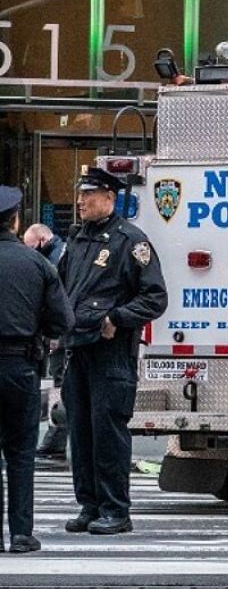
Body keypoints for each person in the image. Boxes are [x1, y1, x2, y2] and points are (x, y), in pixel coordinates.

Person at [58, 168, 167, 536]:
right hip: (77, 348)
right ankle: (89, 505)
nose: (80, 201)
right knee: (81, 431)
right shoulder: (77, 239)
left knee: (108, 431)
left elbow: (155, 297)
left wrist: (117, 318)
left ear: (109, 197)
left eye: (88, 194)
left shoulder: (129, 241)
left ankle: (115, 509)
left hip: (111, 351)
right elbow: (62, 288)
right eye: (80, 194)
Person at [0, 188, 73, 553]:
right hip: (20, 365)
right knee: (21, 453)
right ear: (15, 222)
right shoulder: (38, 264)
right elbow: (63, 321)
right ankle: (21, 533)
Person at [23, 223, 68, 460]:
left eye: (31, 247)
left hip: (61, 336)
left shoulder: (54, 261)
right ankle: (55, 439)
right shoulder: (61, 253)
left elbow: (56, 301)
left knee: (61, 386)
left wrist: (55, 335)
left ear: (42, 240)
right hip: (64, 333)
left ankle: (55, 440)